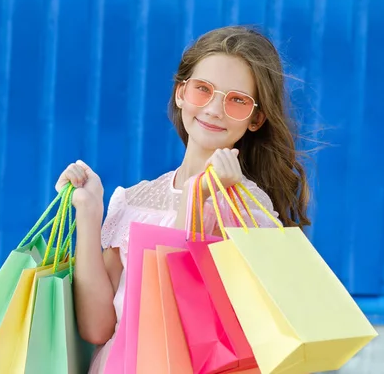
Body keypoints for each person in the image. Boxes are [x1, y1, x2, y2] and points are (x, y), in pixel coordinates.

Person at [54, 25, 311, 373]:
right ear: (180, 93)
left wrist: (201, 201)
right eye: (203, 90)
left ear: (256, 119)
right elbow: (98, 327)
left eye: (237, 100)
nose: (215, 109)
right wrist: (89, 212)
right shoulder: (135, 199)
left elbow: (174, 314)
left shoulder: (249, 209)